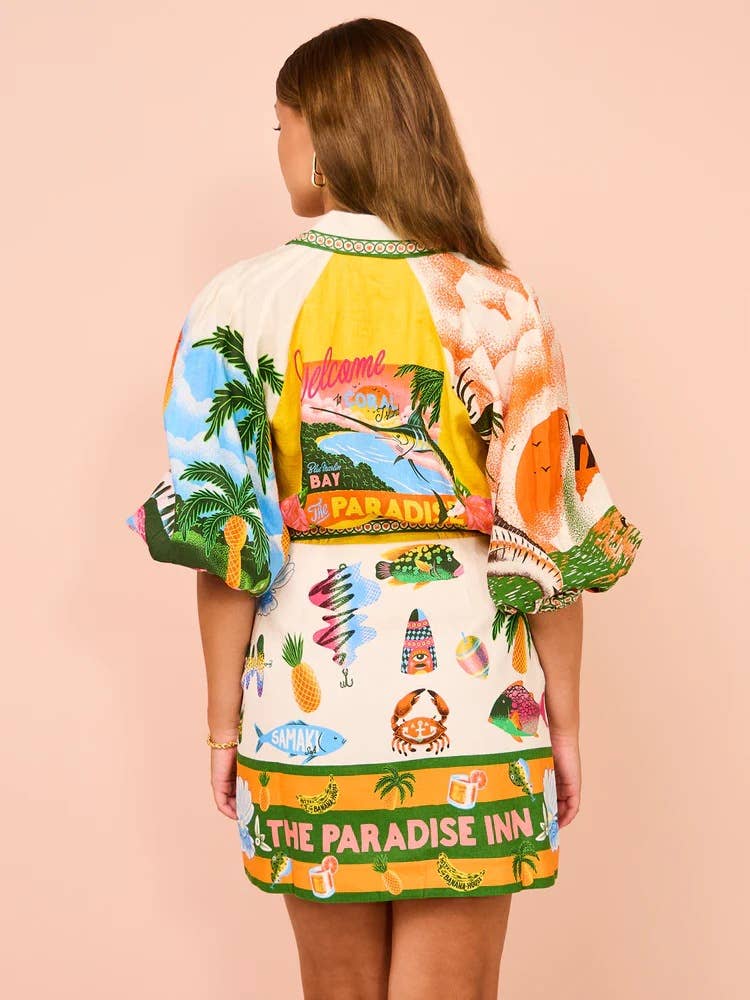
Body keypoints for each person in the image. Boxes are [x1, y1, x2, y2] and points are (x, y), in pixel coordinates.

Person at [126, 17, 642, 1000]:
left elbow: (227, 542)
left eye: (279, 125)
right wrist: (566, 723)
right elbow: (550, 541)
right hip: (475, 706)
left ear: (322, 137)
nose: (278, 147)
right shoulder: (496, 304)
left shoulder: (237, 303)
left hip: (306, 702)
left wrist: (223, 726)